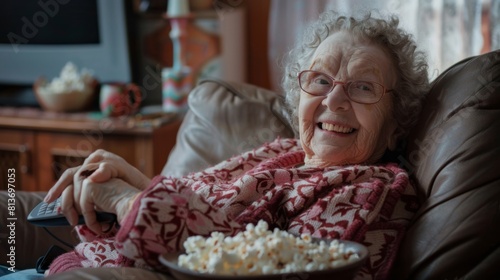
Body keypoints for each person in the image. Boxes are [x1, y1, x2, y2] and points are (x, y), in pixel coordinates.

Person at [37, 10, 428, 280]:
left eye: (363, 87)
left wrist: (126, 202)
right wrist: (134, 183)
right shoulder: (280, 151)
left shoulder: (373, 191)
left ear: (395, 124)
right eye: (321, 80)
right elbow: (199, 213)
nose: (333, 101)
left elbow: (257, 266)